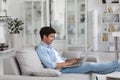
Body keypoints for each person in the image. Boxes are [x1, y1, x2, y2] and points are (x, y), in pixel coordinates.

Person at [36, 26, 120, 74]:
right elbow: (51, 65)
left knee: (90, 66)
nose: (53, 39)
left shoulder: (51, 47)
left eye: (54, 36)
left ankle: (117, 67)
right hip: (61, 70)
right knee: (89, 65)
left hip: (65, 66)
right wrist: (67, 63)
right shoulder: (41, 49)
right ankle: (116, 64)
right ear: (44, 36)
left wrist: (72, 60)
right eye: (51, 36)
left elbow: (60, 58)